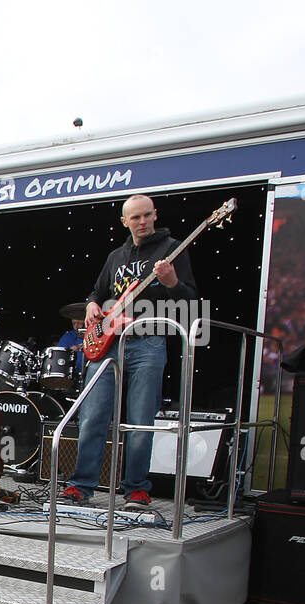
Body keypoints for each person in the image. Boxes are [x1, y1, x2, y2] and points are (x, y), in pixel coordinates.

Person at [60, 193, 198, 510]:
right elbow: (98, 292)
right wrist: (94, 304)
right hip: (110, 343)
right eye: (135, 217)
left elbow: (190, 301)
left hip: (149, 341)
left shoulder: (171, 250)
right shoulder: (115, 256)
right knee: (92, 417)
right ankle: (81, 485)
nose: (143, 221)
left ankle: (136, 488)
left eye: (147, 215)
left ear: (155, 214)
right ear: (125, 221)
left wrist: (172, 281)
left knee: (140, 421)